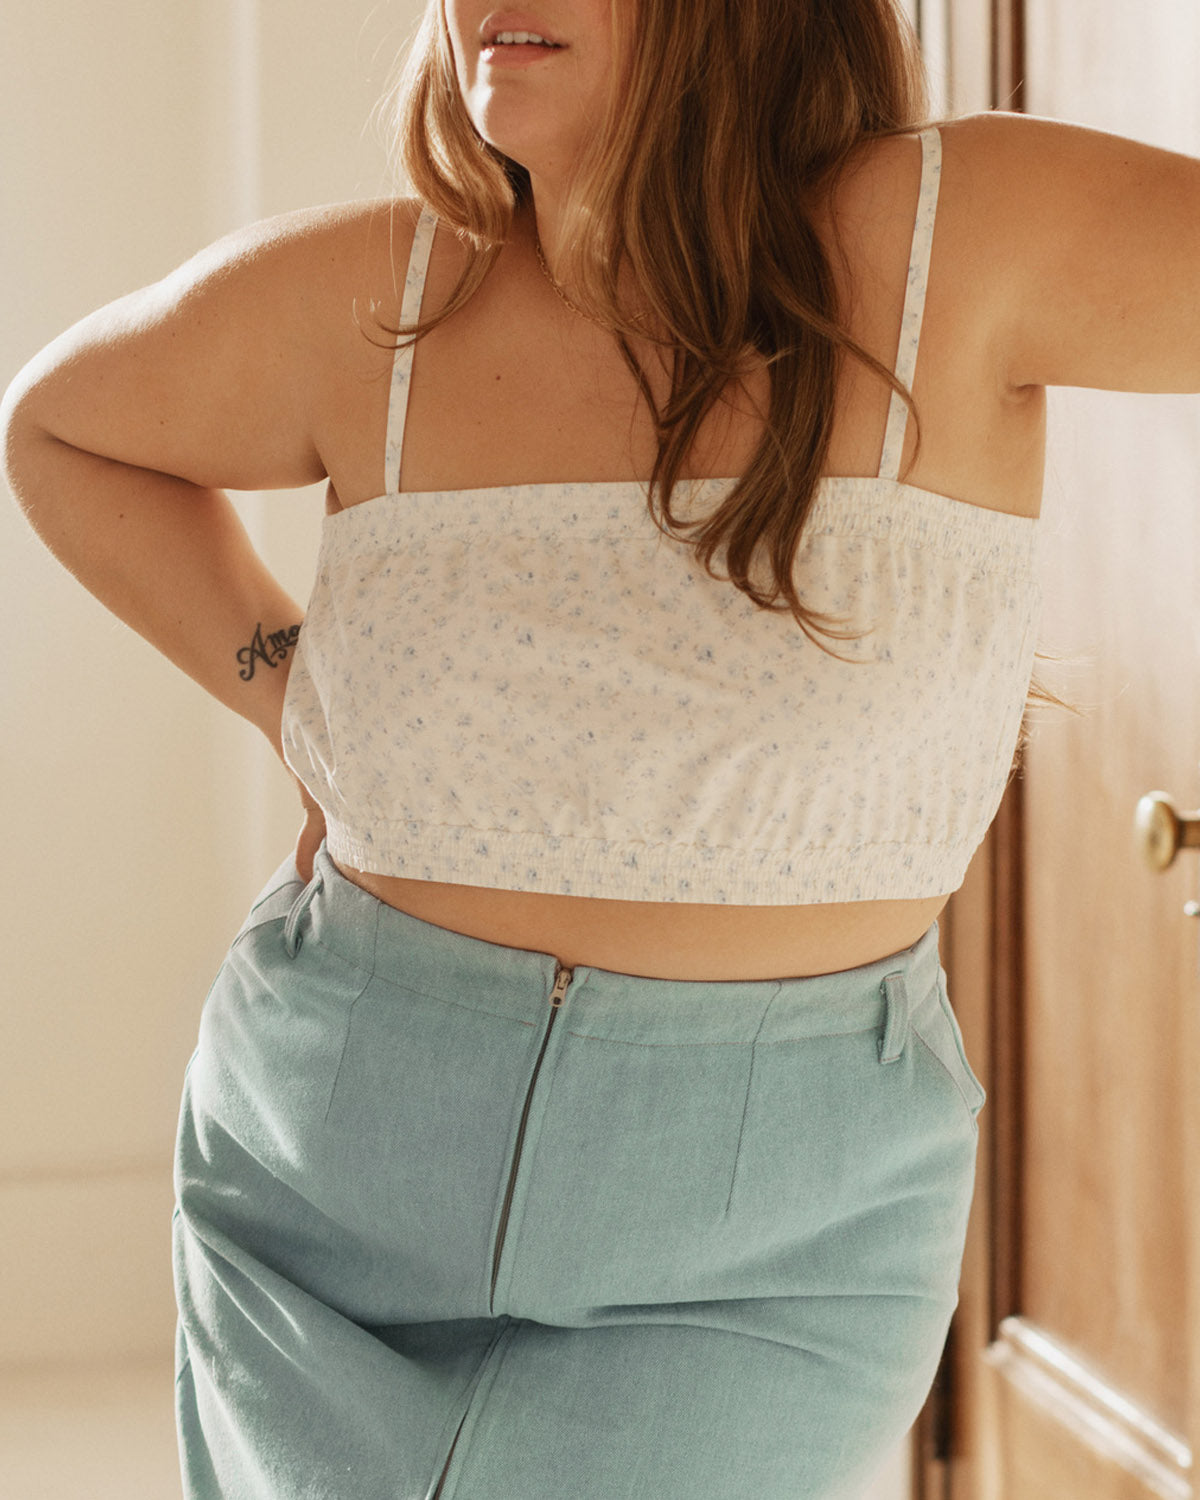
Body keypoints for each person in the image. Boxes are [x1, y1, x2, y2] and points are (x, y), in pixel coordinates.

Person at [4, 0, 1199, 1495]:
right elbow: (60, 428)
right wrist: (292, 703)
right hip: (328, 1196)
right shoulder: (384, 295)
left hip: (763, 1253)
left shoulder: (955, 234)